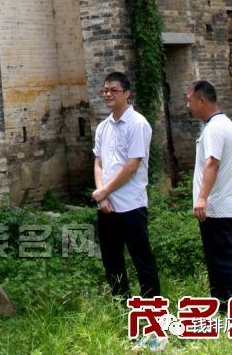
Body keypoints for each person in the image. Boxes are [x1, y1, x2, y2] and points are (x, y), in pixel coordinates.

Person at [91, 71, 161, 299]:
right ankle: (121, 304)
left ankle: (152, 306)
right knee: (112, 260)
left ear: (127, 94)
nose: (108, 94)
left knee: (142, 258)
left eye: (114, 90)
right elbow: (98, 162)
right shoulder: (103, 127)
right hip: (107, 206)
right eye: (105, 90)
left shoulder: (137, 124)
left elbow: (132, 165)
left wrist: (104, 191)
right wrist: (102, 197)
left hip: (131, 205)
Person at [186, 79, 232, 311]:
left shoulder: (215, 128)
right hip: (222, 207)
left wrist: (201, 198)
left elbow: (212, 164)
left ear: (201, 100)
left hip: (218, 209)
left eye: (189, 100)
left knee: (222, 263)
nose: (188, 105)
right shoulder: (222, 124)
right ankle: (222, 308)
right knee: (217, 262)